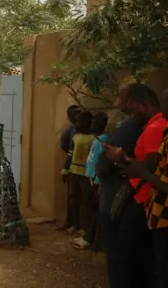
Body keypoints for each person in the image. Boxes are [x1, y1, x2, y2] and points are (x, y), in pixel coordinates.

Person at [105, 84, 168, 288]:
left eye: (133, 110)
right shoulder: (156, 126)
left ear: (144, 106)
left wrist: (122, 159)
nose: (132, 116)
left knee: (133, 257)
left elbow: (150, 166)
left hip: (145, 201)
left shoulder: (154, 128)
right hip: (147, 202)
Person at [118, 88, 168, 288]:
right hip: (157, 209)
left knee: (162, 267)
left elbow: (159, 173)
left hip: (164, 210)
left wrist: (136, 169)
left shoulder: (160, 128)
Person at [96, 83, 146, 288]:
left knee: (120, 261)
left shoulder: (131, 127)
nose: (117, 102)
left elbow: (107, 163)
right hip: (120, 201)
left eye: (120, 98)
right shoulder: (131, 124)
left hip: (120, 203)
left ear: (133, 102)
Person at [72, 111, 108, 250]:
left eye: (94, 122)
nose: (92, 124)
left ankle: (91, 238)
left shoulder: (103, 140)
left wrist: (96, 180)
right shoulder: (96, 138)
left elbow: (101, 162)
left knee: (95, 210)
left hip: (95, 180)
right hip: (89, 178)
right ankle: (88, 235)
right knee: (89, 207)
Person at [63, 111, 95, 237]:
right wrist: (65, 170)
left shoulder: (93, 138)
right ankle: (75, 225)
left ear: (87, 122)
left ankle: (84, 227)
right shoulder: (75, 137)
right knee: (73, 199)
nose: (75, 124)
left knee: (86, 201)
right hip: (74, 172)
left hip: (86, 173)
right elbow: (70, 155)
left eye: (78, 121)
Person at [57, 105, 82, 231]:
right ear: (69, 116)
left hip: (85, 171)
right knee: (72, 197)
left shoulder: (85, 129)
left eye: (79, 112)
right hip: (74, 169)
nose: (77, 115)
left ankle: (78, 225)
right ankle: (71, 223)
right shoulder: (71, 130)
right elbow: (66, 147)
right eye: (75, 113)